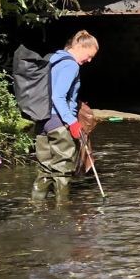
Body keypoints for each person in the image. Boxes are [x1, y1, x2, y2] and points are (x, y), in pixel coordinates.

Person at [32, 30, 98, 201]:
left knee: (44, 168)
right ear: (79, 46)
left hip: (42, 120)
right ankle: (62, 211)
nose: (89, 60)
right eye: (89, 55)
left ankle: (37, 207)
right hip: (58, 121)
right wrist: (72, 122)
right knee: (63, 168)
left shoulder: (53, 59)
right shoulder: (71, 65)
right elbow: (58, 96)